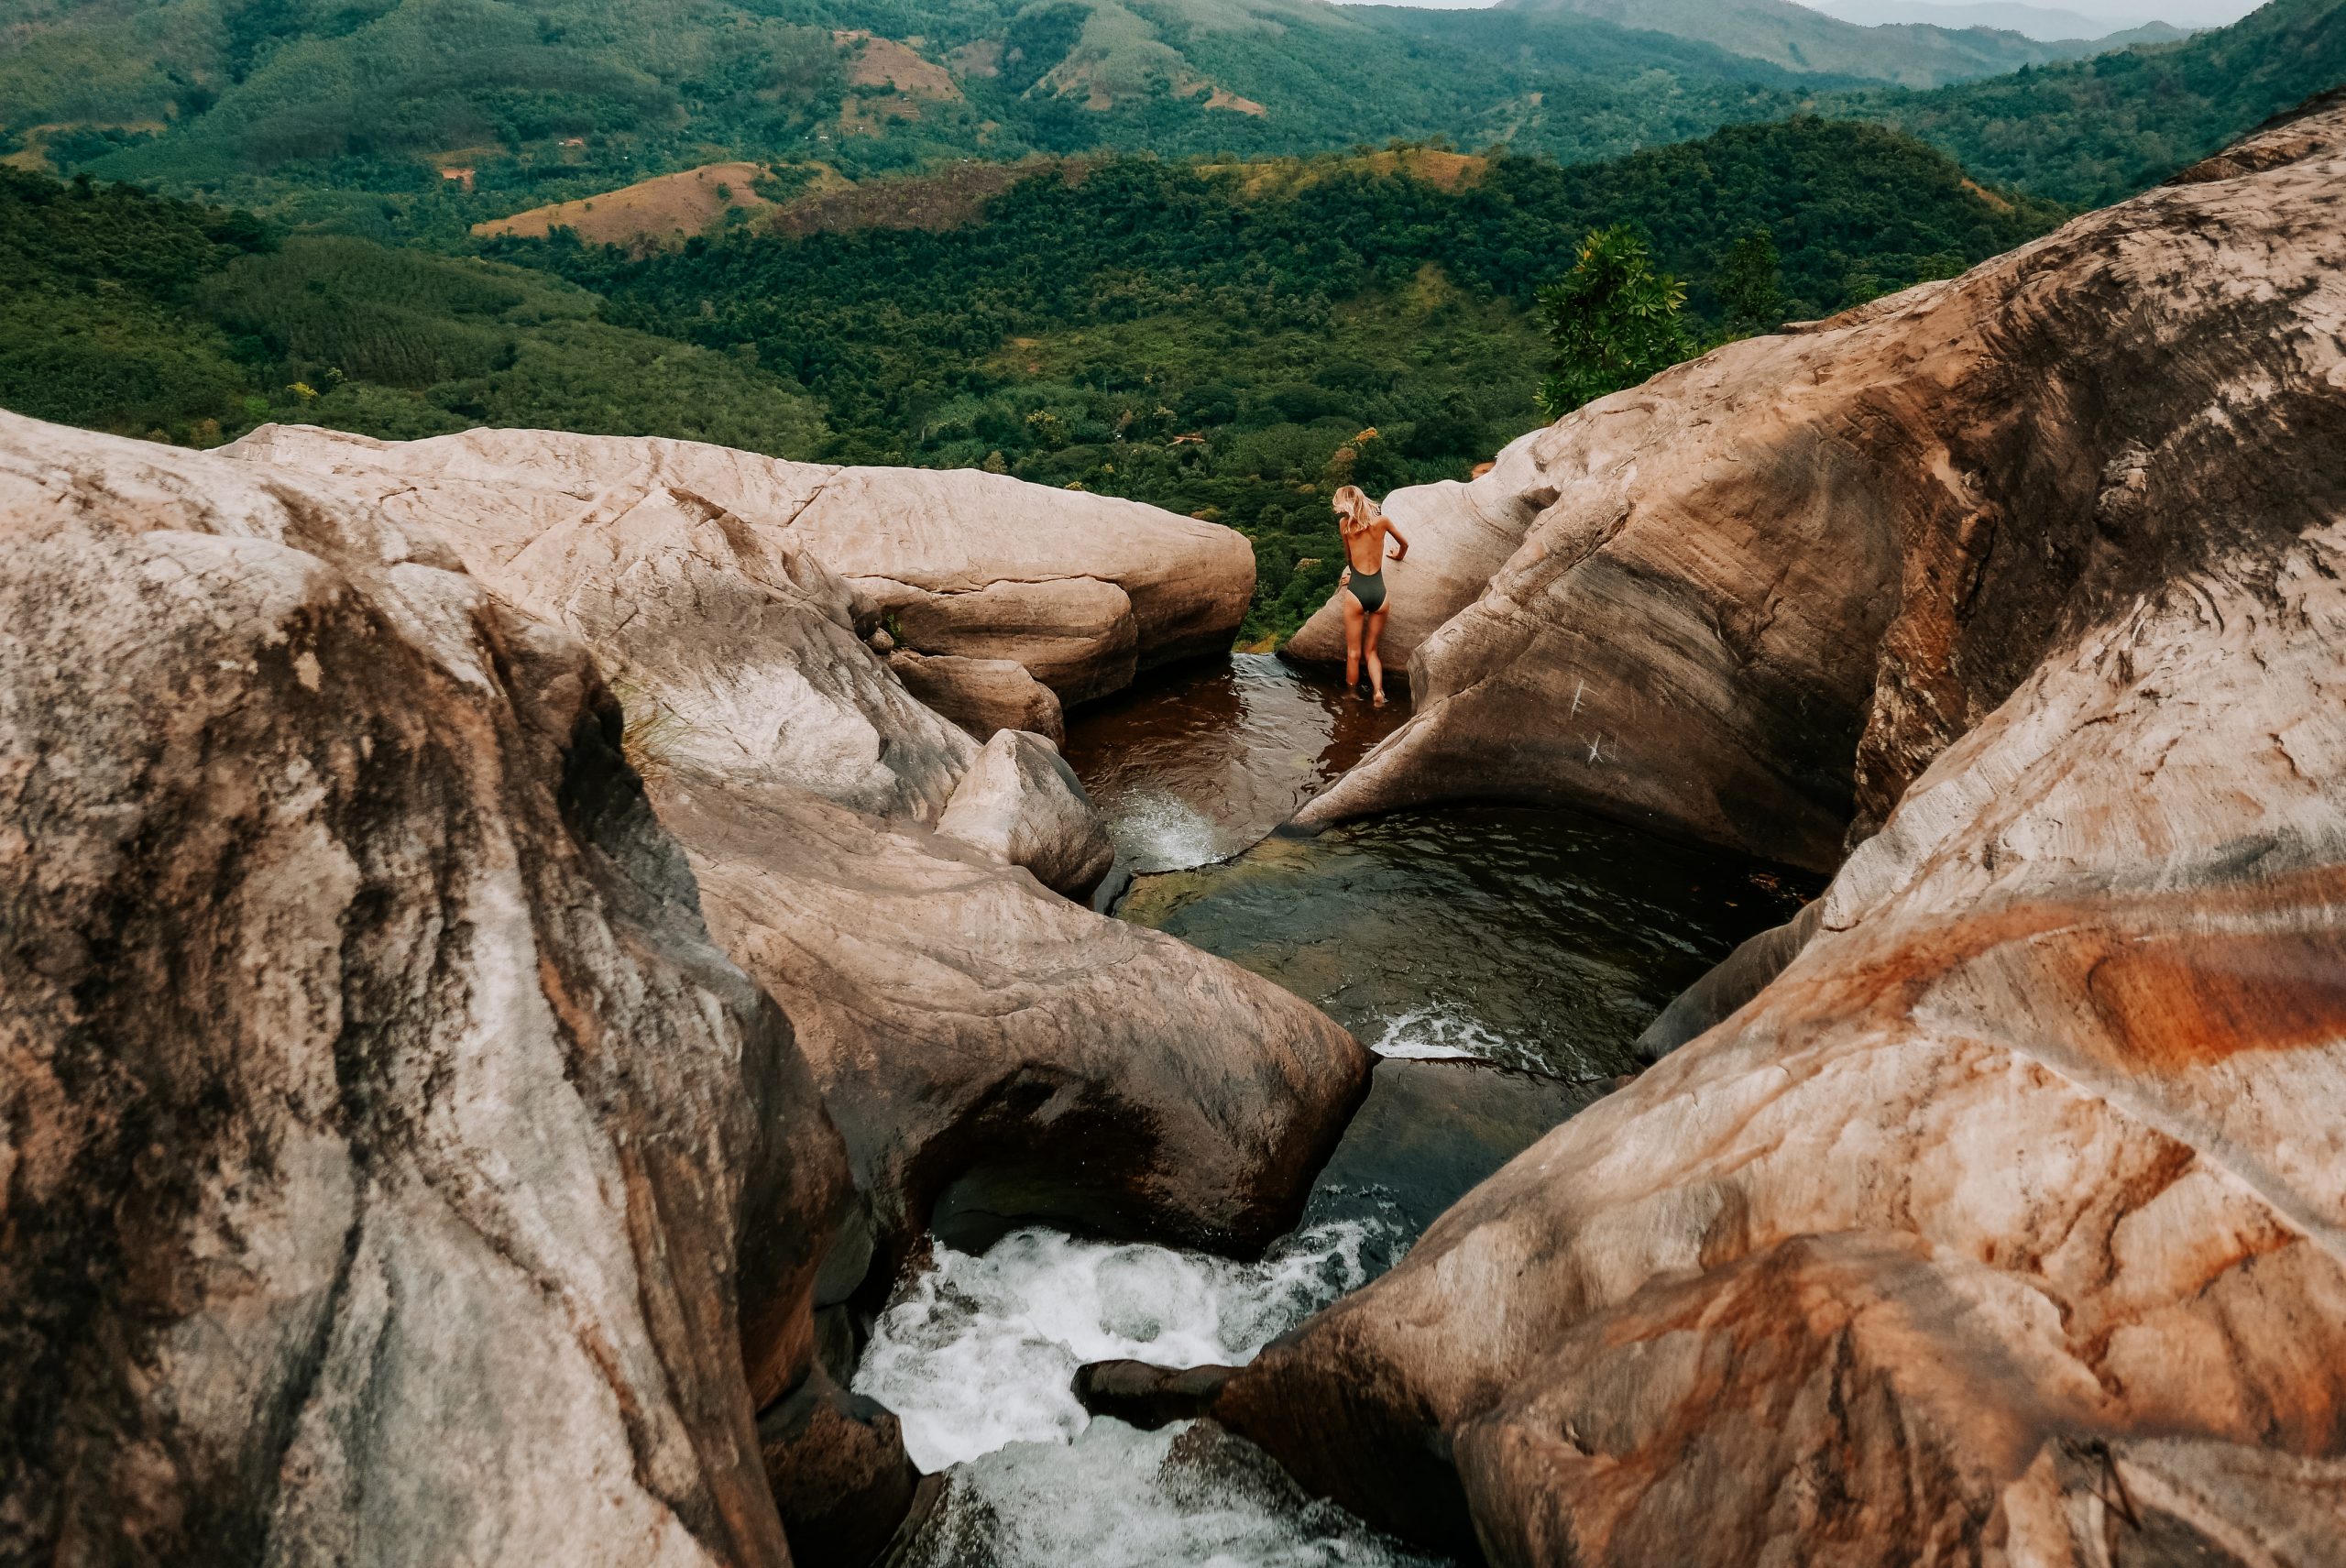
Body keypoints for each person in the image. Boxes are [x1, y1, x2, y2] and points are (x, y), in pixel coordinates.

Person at [1332, 483, 1409, 706]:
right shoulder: (1382, 521)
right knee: (1372, 651)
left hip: (1357, 591)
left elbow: (1349, 558)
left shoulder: (1345, 524)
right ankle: (1378, 692)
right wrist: (1397, 556)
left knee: (1353, 653)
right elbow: (1404, 544)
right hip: (1379, 592)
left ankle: (1352, 697)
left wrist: (1352, 577)